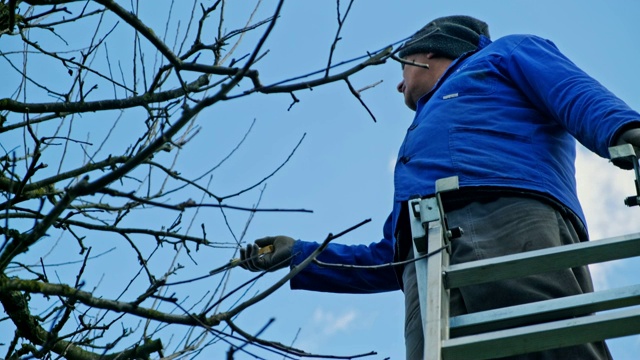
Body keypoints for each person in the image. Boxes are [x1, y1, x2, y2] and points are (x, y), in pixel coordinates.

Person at [240, 15, 640, 359]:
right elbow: (387, 258)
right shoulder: (425, 141)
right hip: (424, 254)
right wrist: (301, 257)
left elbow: (570, 91)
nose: (400, 87)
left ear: (427, 53)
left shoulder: (503, 54)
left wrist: (625, 130)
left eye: (402, 70)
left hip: (505, 215)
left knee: (551, 343)